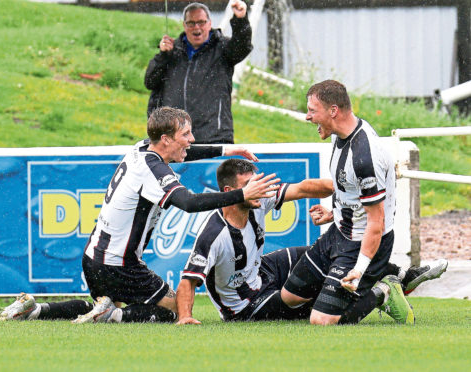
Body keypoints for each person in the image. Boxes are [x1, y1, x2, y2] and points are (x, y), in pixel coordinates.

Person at [0, 107, 279, 323]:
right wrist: (243, 194)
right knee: (177, 309)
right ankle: (113, 317)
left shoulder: (143, 147)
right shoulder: (153, 171)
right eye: (186, 134)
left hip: (94, 256)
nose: (191, 140)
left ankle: (35, 308)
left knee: (100, 305)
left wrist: (228, 149)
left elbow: (184, 153)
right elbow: (189, 203)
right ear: (165, 139)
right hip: (119, 263)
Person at [176, 159, 448, 324]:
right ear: (229, 192)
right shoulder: (214, 235)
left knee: (322, 255)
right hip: (248, 305)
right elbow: (188, 280)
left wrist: (353, 188)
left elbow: (304, 187)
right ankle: (384, 291)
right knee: (320, 310)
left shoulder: (258, 198)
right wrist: (185, 316)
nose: (259, 187)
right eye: (250, 183)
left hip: (262, 271)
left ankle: (404, 275)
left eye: (258, 181)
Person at [279, 79, 421, 325]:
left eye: (312, 111)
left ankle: (383, 291)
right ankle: (340, 292)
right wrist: (335, 211)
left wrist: (360, 268)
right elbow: (346, 186)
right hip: (340, 232)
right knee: (290, 297)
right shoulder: (340, 134)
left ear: (333, 111)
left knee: (321, 321)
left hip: (363, 243)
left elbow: (376, 221)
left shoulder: (365, 156)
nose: (307, 117)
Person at [144, 1, 252, 144]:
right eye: (191, 23)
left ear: (209, 23)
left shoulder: (223, 48)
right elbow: (150, 82)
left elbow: (243, 46)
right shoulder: (171, 51)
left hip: (214, 138)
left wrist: (240, 19)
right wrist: (163, 56)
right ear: (184, 25)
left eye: (201, 22)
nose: (197, 28)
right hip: (174, 139)